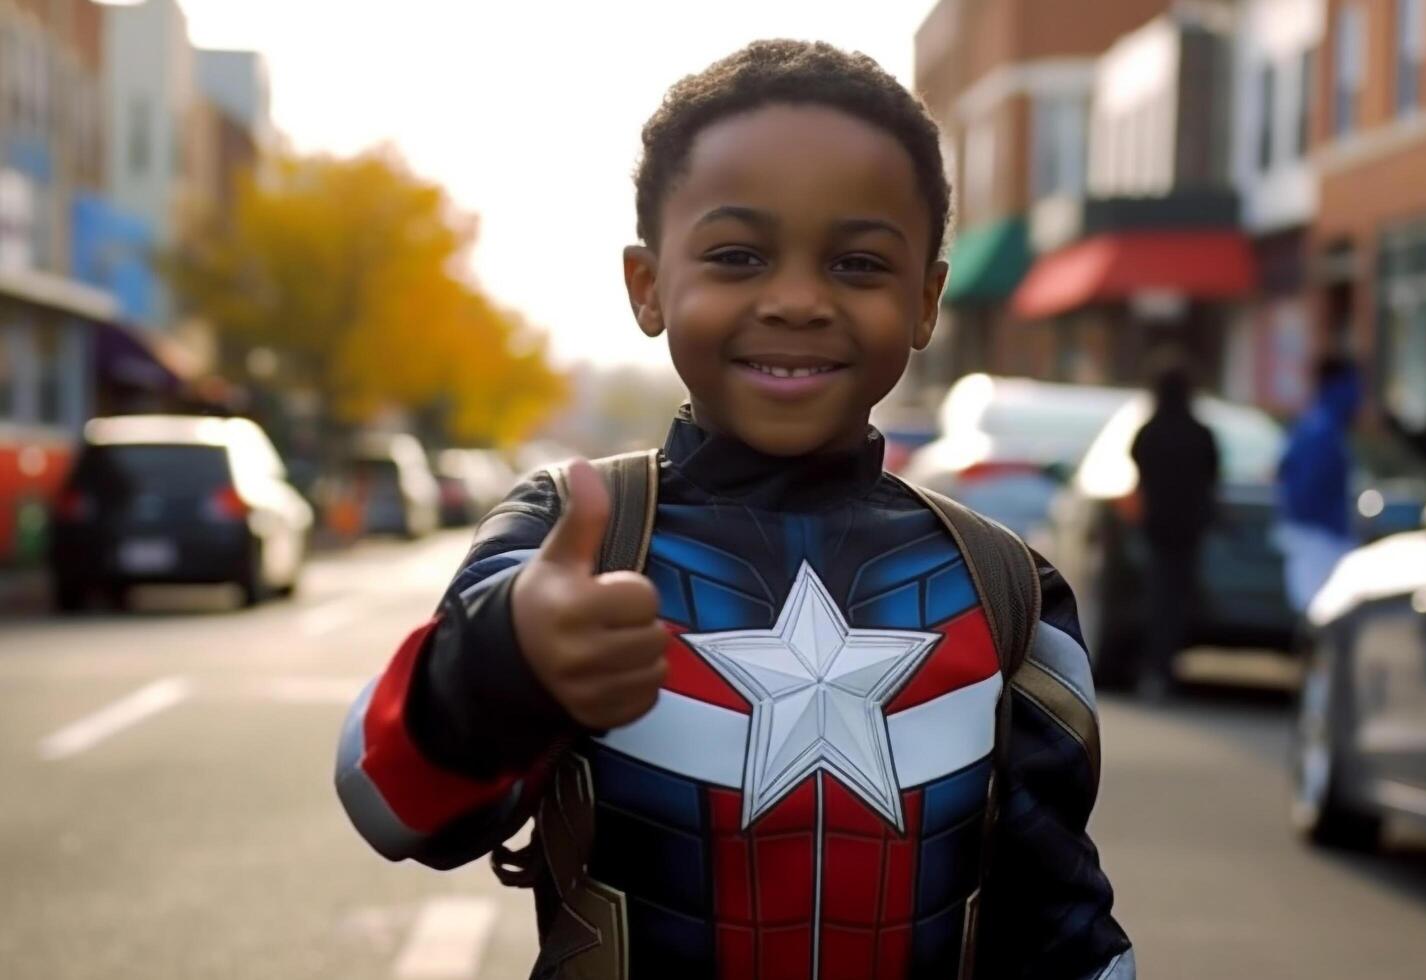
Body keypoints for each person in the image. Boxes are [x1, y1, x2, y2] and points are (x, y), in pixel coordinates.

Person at [334, 41, 1133, 980]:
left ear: (925, 301)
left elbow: (1060, 925)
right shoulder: (570, 541)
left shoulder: (1004, 590)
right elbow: (391, 807)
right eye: (737, 255)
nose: (796, 300)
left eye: (857, 264)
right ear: (647, 284)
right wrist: (502, 656)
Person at [1126, 359, 1219, 699]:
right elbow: (1212, 478)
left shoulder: (1149, 433)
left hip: (1157, 529)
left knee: (1157, 599)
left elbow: (1138, 471)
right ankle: (1168, 665)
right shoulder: (1201, 434)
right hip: (1189, 530)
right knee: (1178, 600)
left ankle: (1156, 667)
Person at [1275, 357, 1362, 617]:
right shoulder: (1319, 430)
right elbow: (1303, 492)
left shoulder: (1318, 426)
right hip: (1318, 540)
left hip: (1317, 538)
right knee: (1322, 616)